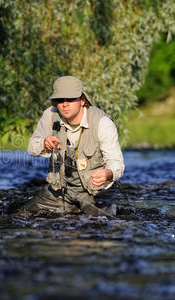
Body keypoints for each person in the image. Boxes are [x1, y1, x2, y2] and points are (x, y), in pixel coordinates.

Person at [23, 76, 124, 216]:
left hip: (97, 194)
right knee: (24, 214)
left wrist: (109, 174)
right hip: (61, 192)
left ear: (82, 100)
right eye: (60, 100)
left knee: (101, 223)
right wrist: (43, 144)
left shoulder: (103, 123)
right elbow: (31, 148)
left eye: (70, 99)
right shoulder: (50, 115)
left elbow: (116, 162)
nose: (65, 104)